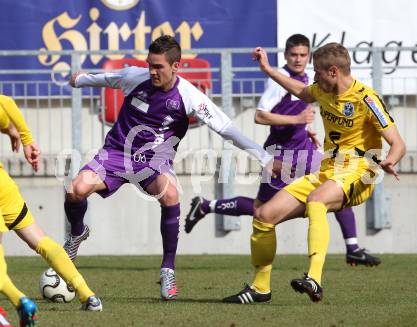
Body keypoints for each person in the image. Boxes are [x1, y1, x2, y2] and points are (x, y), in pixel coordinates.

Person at [65, 35, 274, 301]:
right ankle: (76, 235)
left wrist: (264, 158)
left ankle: (168, 269)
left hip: (154, 161)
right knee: (75, 190)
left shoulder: (190, 96)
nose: (152, 71)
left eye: (159, 66)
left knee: (171, 194)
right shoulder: (134, 77)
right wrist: (80, 79)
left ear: (176, 66)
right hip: (116, 153)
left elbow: (225, 128)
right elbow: (107, 78)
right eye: (150, 64)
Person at [223, 42, 406, 304]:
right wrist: (267, 69)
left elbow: (398, 143)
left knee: (317, 200)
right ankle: (260, 288)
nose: (314, 77)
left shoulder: (367, 98)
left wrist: (390, 160)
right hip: (328, 171)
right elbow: (300, 91)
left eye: (317, 72)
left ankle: (315, 279)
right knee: (263, 215)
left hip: (360, 172)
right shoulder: (322, 91)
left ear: (333, 71)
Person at [185, 34, 381, 267]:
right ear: (286, 56)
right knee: (262, 210)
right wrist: (296, 119)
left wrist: (306, 128)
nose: (298, 59)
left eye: (303, 55)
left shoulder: (310, 78)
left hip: (305, 150)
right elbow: (260, 115)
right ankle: (207, 205)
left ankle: (353, 247)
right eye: (293, 55)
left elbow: (302, 107)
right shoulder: (279, 81)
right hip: (282, 155)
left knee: (338, 183)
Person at [0, 95, 103, 324]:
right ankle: (88, 295)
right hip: (3, 186)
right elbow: (5, 102)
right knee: (40, 240)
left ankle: (19, 302)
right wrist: (22, 137)